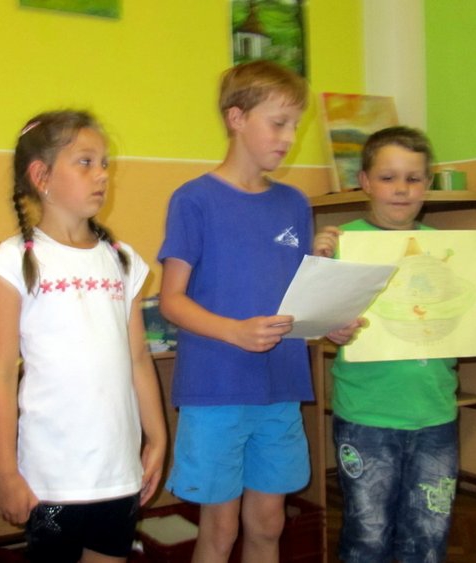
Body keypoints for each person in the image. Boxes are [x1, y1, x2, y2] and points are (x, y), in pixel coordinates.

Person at [157, 60, 361, 563]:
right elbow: (172, 300)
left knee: (269, 523)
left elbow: (296, 300)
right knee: (220, 529)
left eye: (295, 125)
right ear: (237, 117)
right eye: (279, 123)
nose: (289, 138)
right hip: (217, 390)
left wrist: (329, 324)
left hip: (280, 387)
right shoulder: (194, 200)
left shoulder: (293, 203)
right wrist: (235, 332)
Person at [313, 125, 476, 562]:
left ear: (427, 184)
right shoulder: (343, 243)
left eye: (413, 178)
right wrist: (321, 270)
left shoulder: (449, 250)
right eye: (388, 178)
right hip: (366, 416)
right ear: (365, 182)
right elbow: (314, 321)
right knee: (367, 535)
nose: (401, 189)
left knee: (428, 534)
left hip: (435, 415)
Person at [0, 110, 167, 563]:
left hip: (117, 474)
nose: (102, 174)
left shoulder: (121, 259)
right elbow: (2, 374)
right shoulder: (13, 261)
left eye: (104, 163)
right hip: (51, 481)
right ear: (41, 176)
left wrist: (157, 435)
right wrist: (6, 472)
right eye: (85, 162)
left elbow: (138, 357)